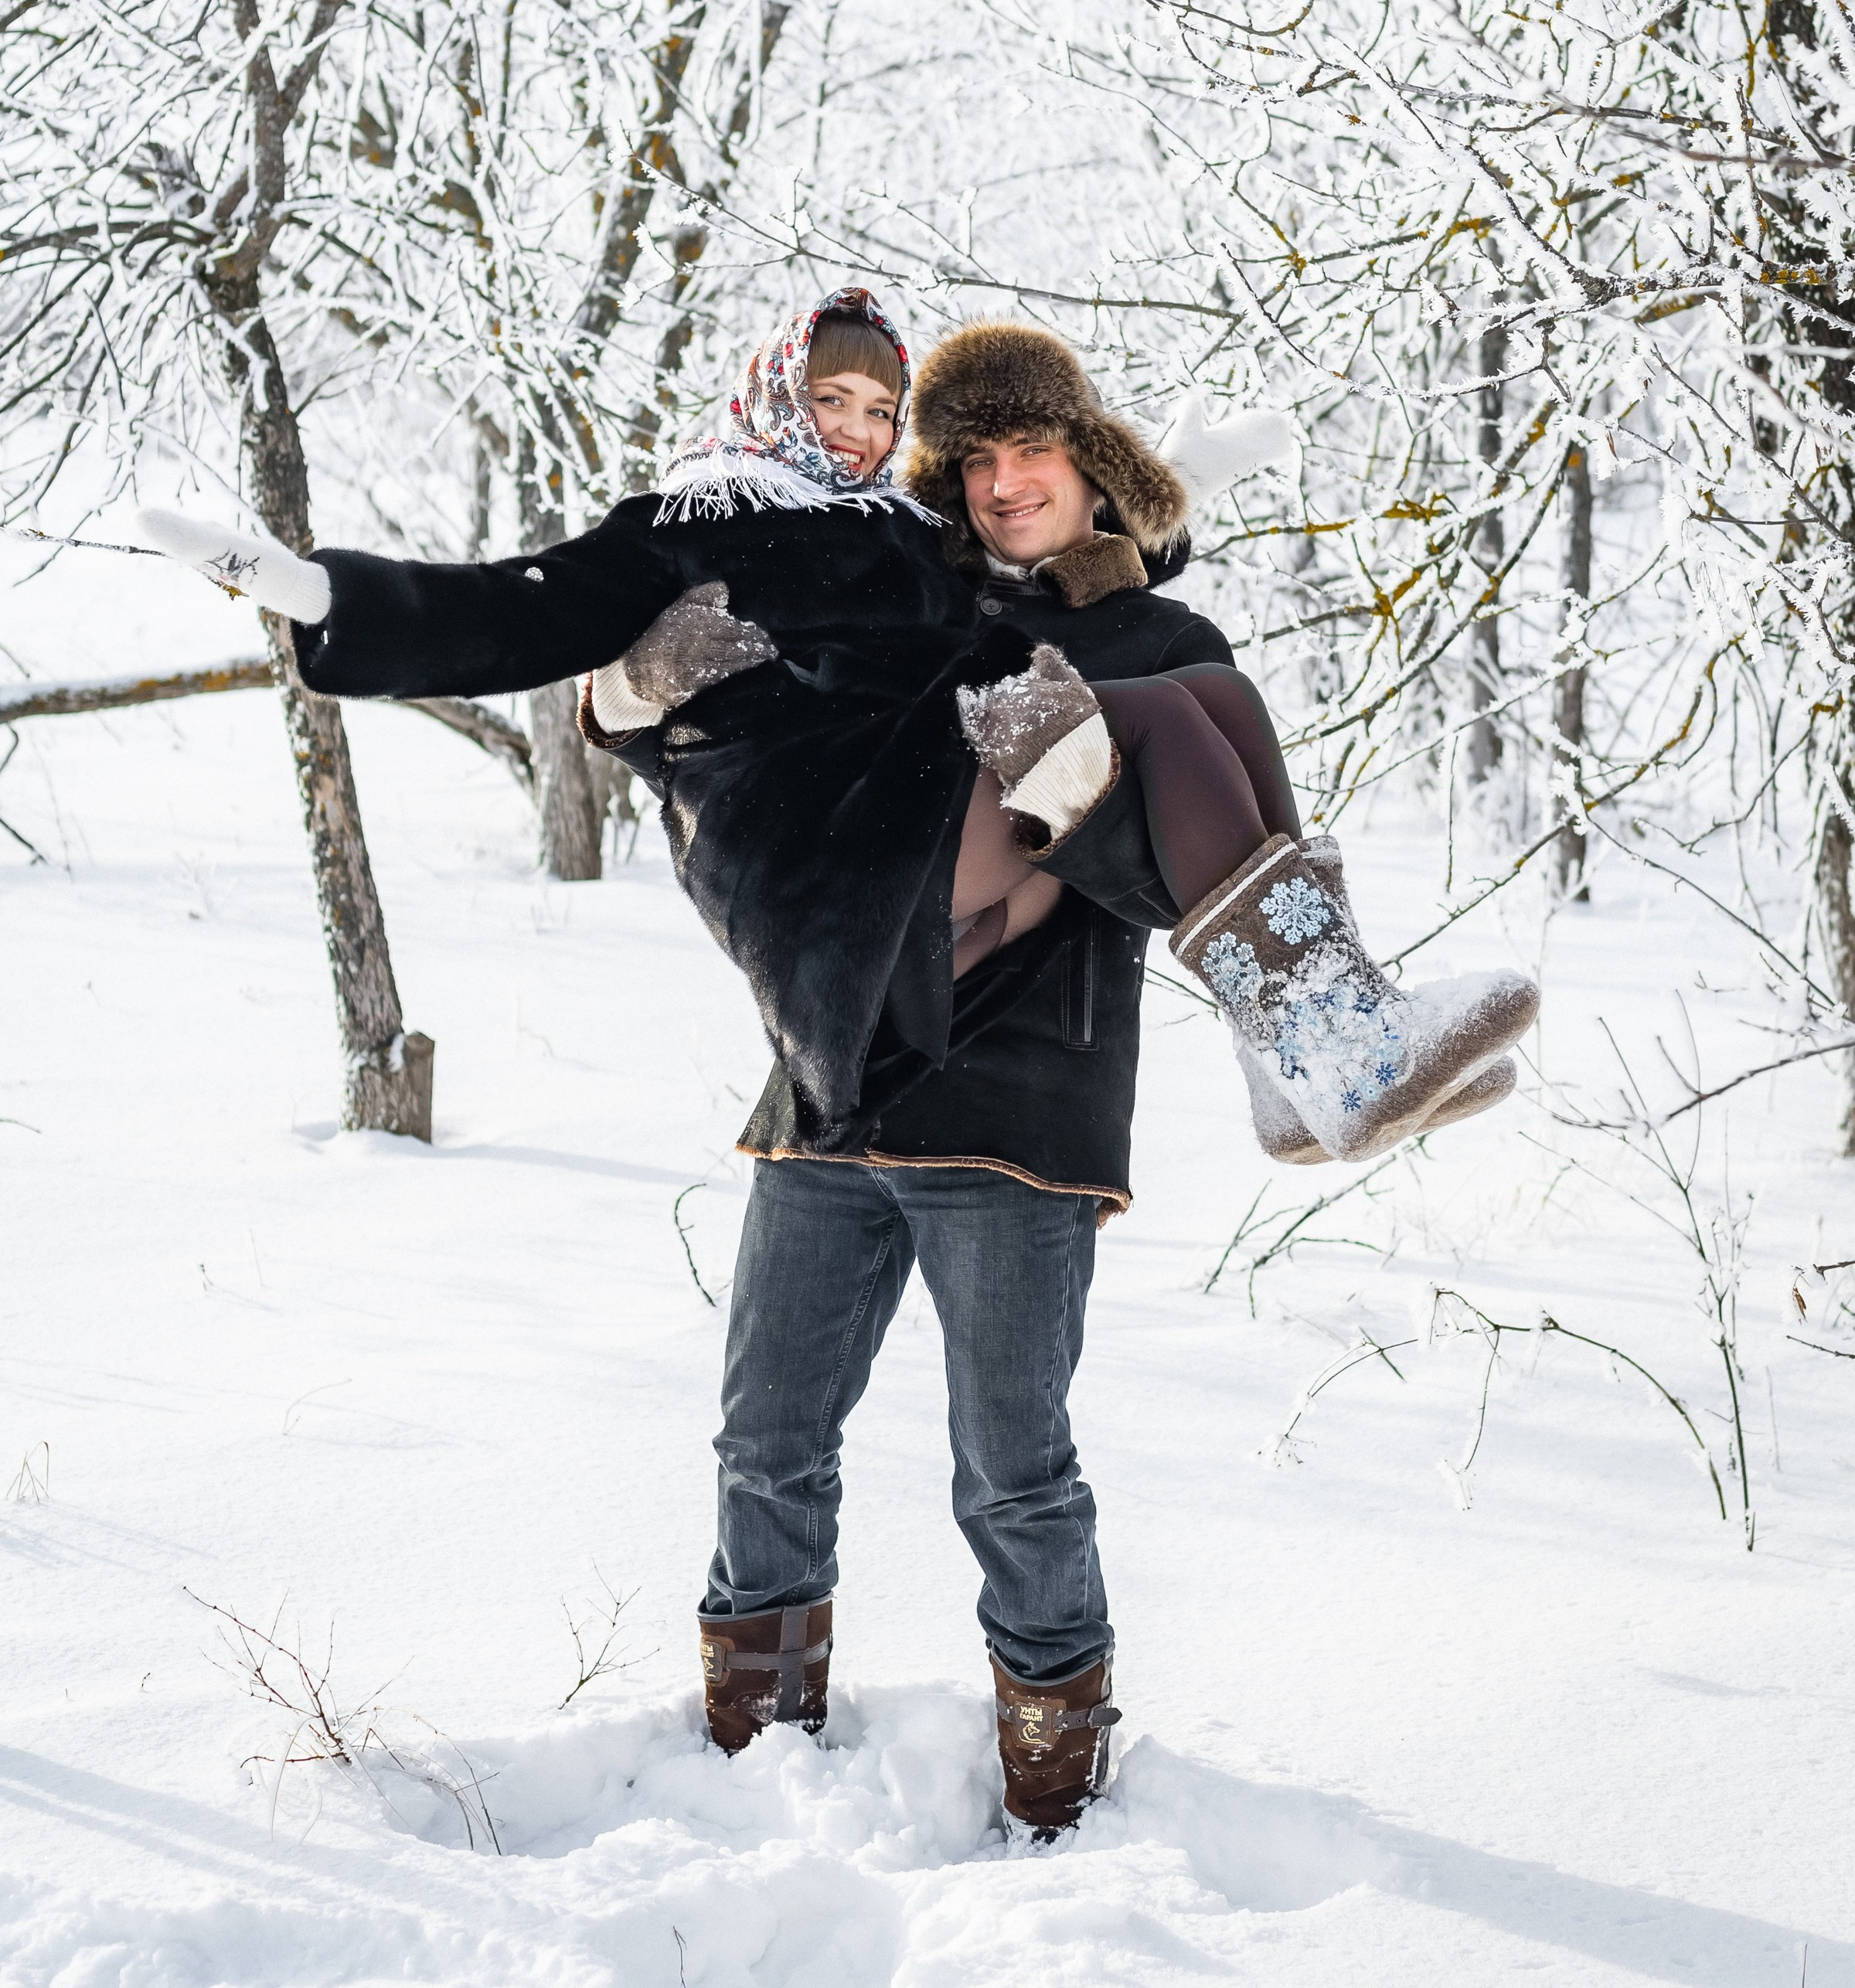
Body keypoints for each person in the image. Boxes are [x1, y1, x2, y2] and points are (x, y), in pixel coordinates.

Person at [138, 294, 1537, 1836]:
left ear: (1095, 468)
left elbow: (1138, 835)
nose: (1001, 483)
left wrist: (1100, 675)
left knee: (1014, 1468)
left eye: (1042, 455)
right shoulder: (895, 570)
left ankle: (1060, 1790)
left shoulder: (1144, 639)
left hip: (1014, 1106)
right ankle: (754, 1754)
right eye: (972, 456)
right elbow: (617, 641)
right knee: (769, 1434)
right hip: (835, 1065)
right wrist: (610, 688)